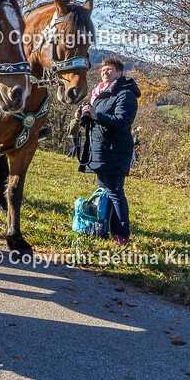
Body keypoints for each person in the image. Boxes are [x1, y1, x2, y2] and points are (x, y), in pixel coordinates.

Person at [76, 58, 140, 245]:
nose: (105, 71)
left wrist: (97, 115)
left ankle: (122, 235)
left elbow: (123, 122)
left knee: (115, 192)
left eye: (109, 69)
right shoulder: (99, 93)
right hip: (101, 150)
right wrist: (82, 118)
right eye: (103, 69)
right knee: (105, 192)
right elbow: (96, 122)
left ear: (119, 73)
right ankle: (105, 228)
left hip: (115, 149)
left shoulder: (125, 94)